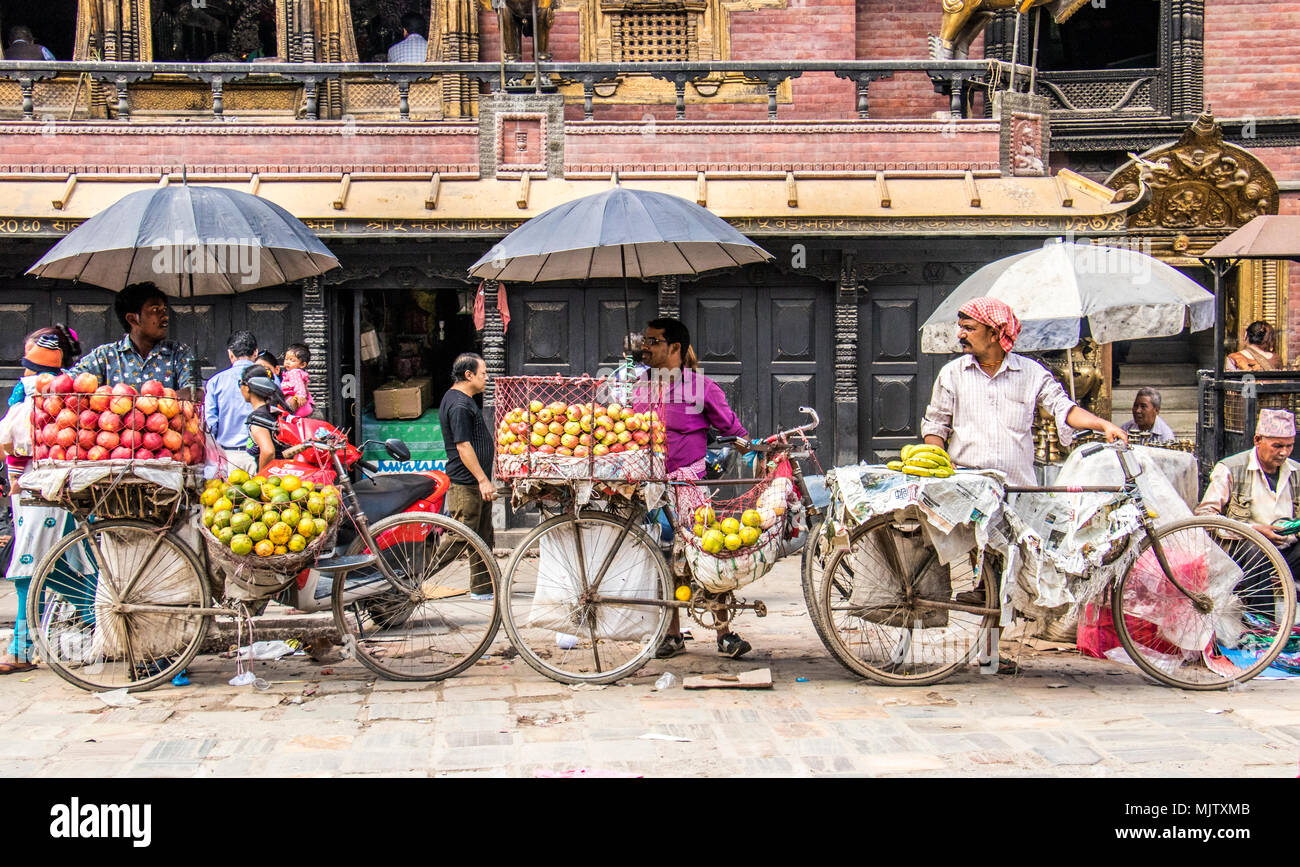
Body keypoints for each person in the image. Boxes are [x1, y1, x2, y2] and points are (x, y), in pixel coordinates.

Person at [921, 297, 1127, 488]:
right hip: (967, 486)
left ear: (994, 333)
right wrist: (942, 460)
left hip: (1017, 488)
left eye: (969, 328)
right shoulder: (951, 374)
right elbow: (936, 426)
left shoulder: (1031, 373)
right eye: (961, 328)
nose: (961, 334)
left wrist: (1103, 424)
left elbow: (1064, 408)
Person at [642, 317, 754, 659]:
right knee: (662, 560)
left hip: (688, 483)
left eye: (654, 341)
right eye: (645, 341)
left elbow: (733, 429)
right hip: (648, 486)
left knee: (705, 555)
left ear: (674, 348)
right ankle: (672, 634)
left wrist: (747, 444)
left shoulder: (701, 387)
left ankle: (723, 632)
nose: (645, 347)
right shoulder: (638, 385)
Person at [0, 330, 83, 674]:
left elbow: (11, 439)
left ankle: (21, 647)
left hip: (43, 491)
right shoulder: (59, 388)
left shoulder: (38, 391)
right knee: (48, 567)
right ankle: (100, 617)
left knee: (31, 570)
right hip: (42, 490)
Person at [1196, 409, 1300, 575]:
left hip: (1287, 550)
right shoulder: (1230, 469)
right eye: (1277, 446)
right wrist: (1254, 530)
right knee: (1254, 551)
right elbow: (1204, 516)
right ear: (1257, 440)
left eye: (1289, 446)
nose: (1284, 453)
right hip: (1247, 550)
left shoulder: (1296, 471)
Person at [70, 283, 195, 399]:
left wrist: (154, 405)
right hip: (113, 423)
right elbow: (69, 381)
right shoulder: (104, 356)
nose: (165, 316)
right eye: (156, 310)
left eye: (164, 309)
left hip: (165, 423)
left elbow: (195, 392)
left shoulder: (179, 352)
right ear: (132, 319)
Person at [439, 353, 495, 598]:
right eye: (483, 374)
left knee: (482, 536)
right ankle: (414, 578)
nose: (487, 379)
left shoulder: (463, 399)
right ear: (468, 375)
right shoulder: (459, 405)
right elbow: (463, 446)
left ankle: (483, 589)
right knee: (462, 536)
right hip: (466, 483)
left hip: (475, 481)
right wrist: (482, 479)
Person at [204, 331, 259, 475]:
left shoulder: (215, 382)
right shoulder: (268, 378)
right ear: (255, 353)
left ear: (230, 354)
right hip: (259, 456)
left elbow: (210, 424)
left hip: (226, 457)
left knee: (227, 497)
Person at [240, 365, 289, 474]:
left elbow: (268, 451)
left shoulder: (258, 418)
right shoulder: (275, 410)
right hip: (287, 474)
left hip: (275, 480)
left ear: (247, 387)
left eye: (240, 383)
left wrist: (261, 477)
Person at [280, 342, 316, 419]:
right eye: (286, 359)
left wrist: (301, 395)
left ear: (302, 365)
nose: (287, 362)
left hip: (300, 407)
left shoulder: (294, 372)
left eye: (292, 360)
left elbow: (299, 385)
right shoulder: (290, 373)